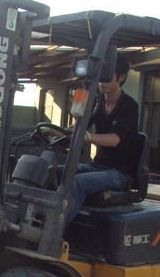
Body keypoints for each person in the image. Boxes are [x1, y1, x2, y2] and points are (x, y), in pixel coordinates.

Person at [59, 52, 140, 227]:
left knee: (79, 181)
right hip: (98, 166)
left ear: (122, 77)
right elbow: (78, 129)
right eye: (100, 75)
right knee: (56, 171)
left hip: (119, 173)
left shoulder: (129, 106)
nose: (102, 81)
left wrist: (86, 136)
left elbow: (114, 139)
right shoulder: (97, 102)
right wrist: (53, 131)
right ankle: (38, 222)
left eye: (107, 75)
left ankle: (54, 232)